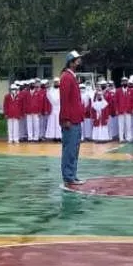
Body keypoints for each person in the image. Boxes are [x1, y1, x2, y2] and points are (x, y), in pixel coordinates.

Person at [58, 51, 84, 186]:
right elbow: (65, 100)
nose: (79, 61)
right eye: (77, 59)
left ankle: (72, 174)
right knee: (69, 149)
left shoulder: (71, 77)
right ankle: (68, 176)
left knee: (74, 149)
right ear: (71, 62)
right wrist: (66, 118)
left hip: (76, 118)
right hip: (70, 120)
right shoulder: (66, 77)